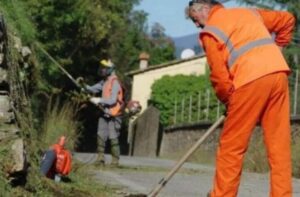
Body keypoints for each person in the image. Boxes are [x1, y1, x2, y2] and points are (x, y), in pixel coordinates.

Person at [186, 0, 295, 196]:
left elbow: (219, 78)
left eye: (195, 19)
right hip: (278, 74)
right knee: (279, 145)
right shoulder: (248, 13)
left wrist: (229, 100)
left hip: (249, 81)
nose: (196, 25)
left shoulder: (210, 32)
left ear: (204, 8)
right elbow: (287, 20)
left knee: (231, 148)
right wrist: (278, 49)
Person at [86, 59, 124, 166]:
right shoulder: (104, 82)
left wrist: (99, 100)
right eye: (102, 67)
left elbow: (112, 100)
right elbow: (92, 89)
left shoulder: (115, 82)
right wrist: (84, 86)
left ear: (110, 69)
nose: (102, 70)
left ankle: (115, 161)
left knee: (113, 137)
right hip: (104, 113)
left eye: (105, 68)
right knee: (100, 135)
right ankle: (100, 159)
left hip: (114, 115)